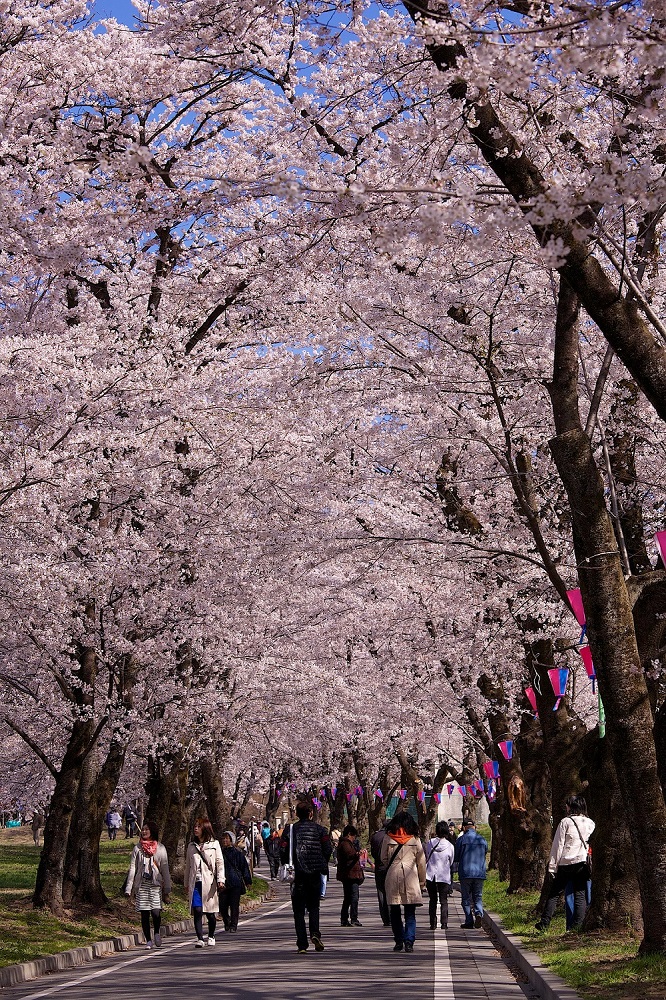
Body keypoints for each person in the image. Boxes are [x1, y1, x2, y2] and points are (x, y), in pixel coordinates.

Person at [536, 795, 595, 932]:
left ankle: (544, 923)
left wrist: (552, 867)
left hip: (566, 863)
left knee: (554, 893)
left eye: (568, 805)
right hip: (582, 863)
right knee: (580, 894)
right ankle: (578, 925)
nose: (566, 807)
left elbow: (558, 845)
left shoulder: (565, 822)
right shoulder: (591, 823)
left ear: (572, 806)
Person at [280, 798, 332, 954]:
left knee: (298, 911)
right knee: (314, 906)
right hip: (315, 873)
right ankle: (315, 934)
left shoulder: (290, 830)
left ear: (296, 814)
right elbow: (328, 849)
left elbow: (282, 850)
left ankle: (302, 944)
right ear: (310, 814)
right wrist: (321, 862)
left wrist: (287, 864)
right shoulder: (321, 830)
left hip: (297, 875)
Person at [380, 811, 426, 953]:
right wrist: (422, 882)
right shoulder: (415, 839)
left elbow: (383, 858)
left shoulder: (388, 838)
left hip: (393, 876)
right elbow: (421, 862)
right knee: (410, 912)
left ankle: (398, 940)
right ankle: (409, 941)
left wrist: (393, 865)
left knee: (394, 911)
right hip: (410, 876)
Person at [124, 820, 172, 949]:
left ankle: (157, 932)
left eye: (147, 829)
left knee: (156, 912)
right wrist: (129, 887)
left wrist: (167, 887)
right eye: (143, 829)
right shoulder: (137, 848)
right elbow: (133, 868)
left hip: (155, 884)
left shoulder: (160, 848)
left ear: (152, 831)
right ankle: (148, 940)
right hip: (142, 884)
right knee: (144, 913)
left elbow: (165, 868)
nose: (144, 831)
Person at [185, 817, 225, 947]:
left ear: (205, 828)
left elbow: (219, 863)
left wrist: (220, 879)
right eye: (195, 826)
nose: (196, 828)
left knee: (210, 913)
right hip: (195, 883)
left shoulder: (214, 844)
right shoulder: (191, 846)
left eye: (199, 826)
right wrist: (186, 883)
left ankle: (211, 935)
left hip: (210, 883)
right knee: (197, 910)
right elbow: (188, 866)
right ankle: (200, 939)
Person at [454, 818, 488, 929]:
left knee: (466, 898)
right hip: (479, 872)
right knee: (478, 896)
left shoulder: (461, 840)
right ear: (474, 827)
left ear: (464, 828)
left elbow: (457, 856)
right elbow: (485, 853)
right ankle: (478, 913)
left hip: (465, 872)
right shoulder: (482, 839)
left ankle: (469, 920)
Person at [218, 830, 252, 932]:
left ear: (231, 840)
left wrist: (248, 881)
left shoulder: (238, 854)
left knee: (234, 906)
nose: (225, 840)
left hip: (235, 883)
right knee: (222, 906)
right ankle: (226, 921)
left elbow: (244, 868)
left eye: (227, 838)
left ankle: (233, 925)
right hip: (223, 883)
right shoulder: (219, 853)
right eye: (223, 838)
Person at [424, 821, 455, 930]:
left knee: (432, 900)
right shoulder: (450, 846)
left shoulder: (430, 843)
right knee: (443, 900)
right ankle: (444, 923)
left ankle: (432, 923)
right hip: (444, 876)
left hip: (431, 875)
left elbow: (427, 855)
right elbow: (451, 861)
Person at [336, 824, 364, 927]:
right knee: (353, 897)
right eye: (353, 836)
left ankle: (345, 919)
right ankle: (353, 918)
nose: (354, 839)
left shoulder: (345, 843)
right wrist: (357, 854)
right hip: (350, 875)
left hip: (349, 874)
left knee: (348, 897)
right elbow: (349, 855)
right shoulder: (345, 843)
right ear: (349, 834)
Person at [370, 820, 391, 925]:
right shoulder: (391, 836)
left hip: (379, 866)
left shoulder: (375, 836)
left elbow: (372, 852)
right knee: (390, 892)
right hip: (389, 867)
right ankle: (391, 916)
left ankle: (385, 918)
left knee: (381, 891)